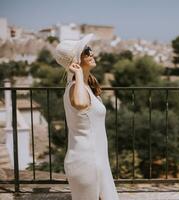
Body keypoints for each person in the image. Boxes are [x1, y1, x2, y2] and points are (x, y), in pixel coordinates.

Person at [54, 33, 120, 200]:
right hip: (86, 162)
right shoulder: (75, 87)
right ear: (76, 61)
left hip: (97, 161)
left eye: (90, 50)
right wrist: (78, 75)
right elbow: (81, 104)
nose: (92, 53)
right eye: (86, 51)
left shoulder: (84, 86)